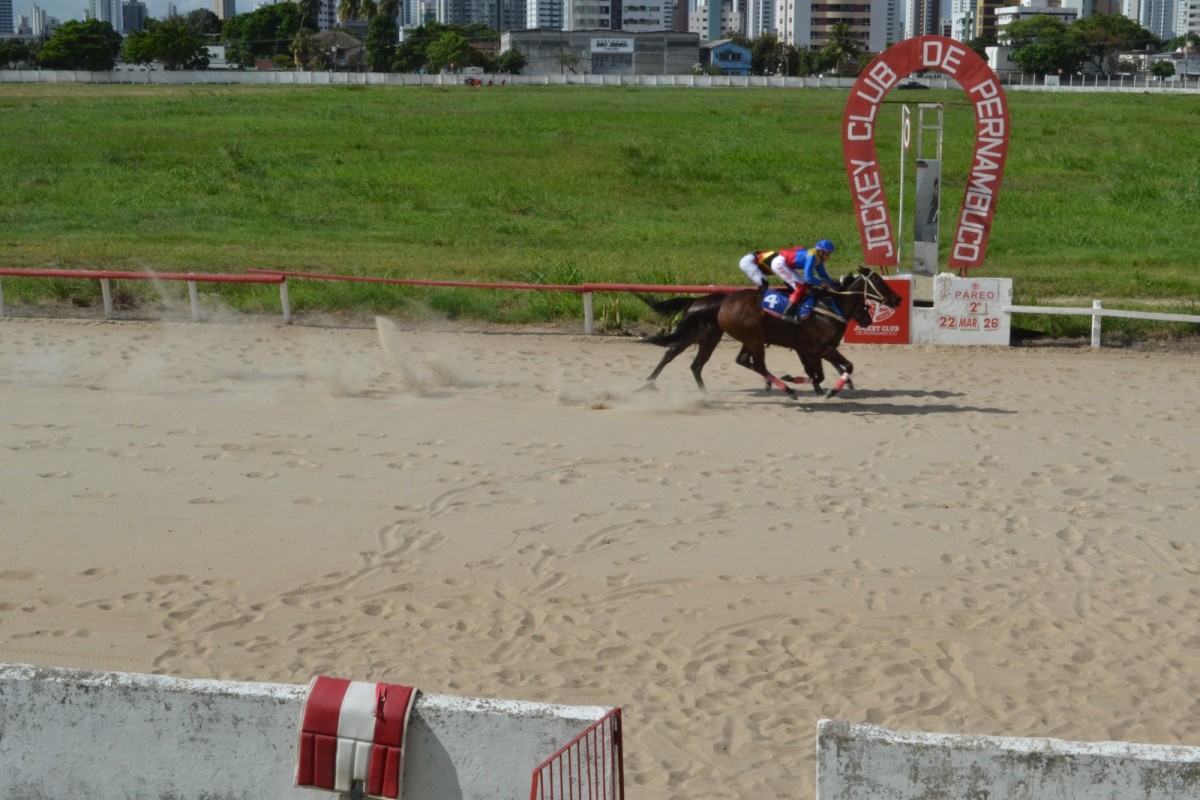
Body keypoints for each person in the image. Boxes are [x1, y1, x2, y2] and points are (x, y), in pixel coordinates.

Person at [770, 239, 836, 320]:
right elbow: (808, 278)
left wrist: (833, 285)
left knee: (803, 285)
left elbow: (823, 275)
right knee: (801, 286)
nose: (829, 257)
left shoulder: (818, 259)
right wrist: (822, 283)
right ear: (821, 252)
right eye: (828, 254)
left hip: (786, 264)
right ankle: (787, 314)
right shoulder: (812, 256)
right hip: (779, 263)